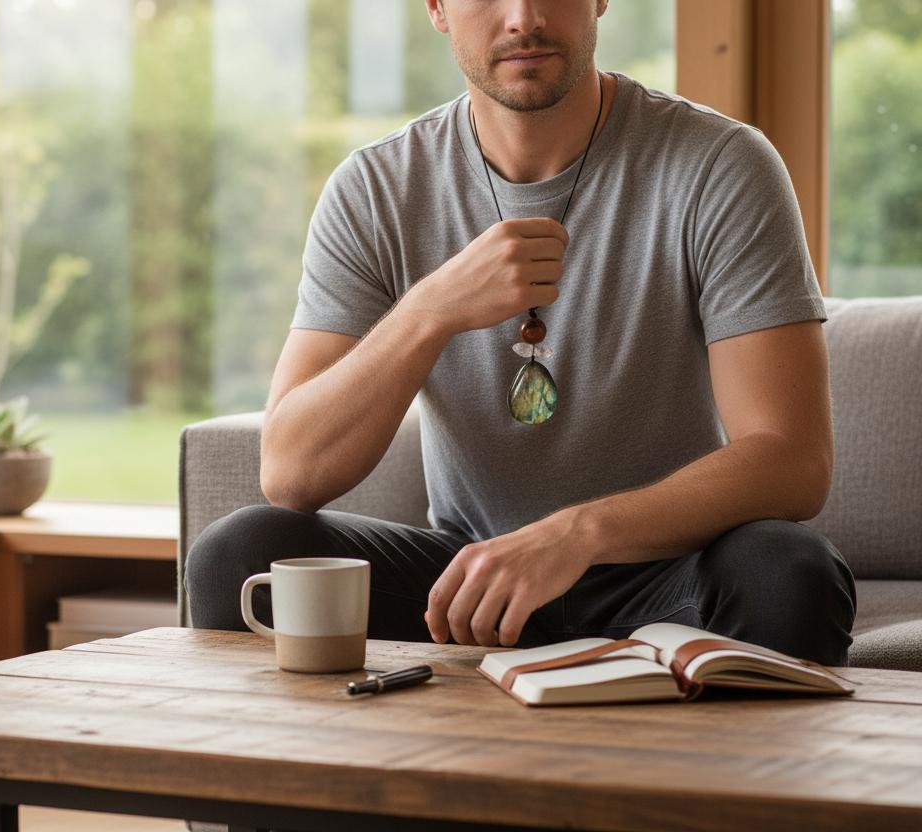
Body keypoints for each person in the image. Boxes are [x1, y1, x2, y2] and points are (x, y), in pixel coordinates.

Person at [184, 0, 856, 666]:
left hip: (664, 577)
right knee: (241, 556)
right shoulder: (375, 189)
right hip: (467, 588)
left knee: (787, 572)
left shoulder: (721, 165)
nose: (523, 17)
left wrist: (578, 533)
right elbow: (292, 475)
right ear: (437, 7)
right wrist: (431, 310)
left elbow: (792, 460)